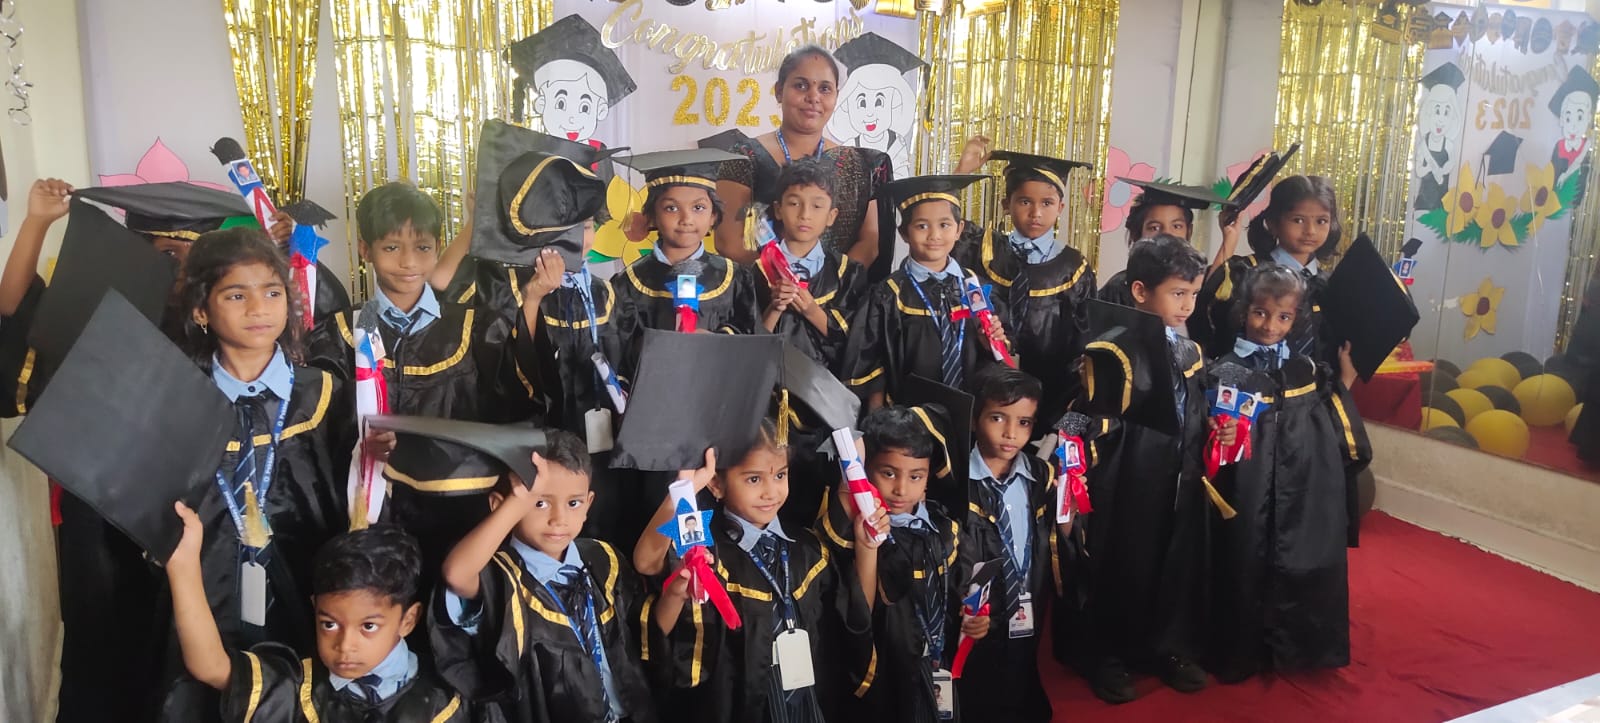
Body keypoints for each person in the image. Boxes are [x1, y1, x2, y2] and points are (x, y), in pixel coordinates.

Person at [306, 180, 546, 580]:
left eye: (422, 247)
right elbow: (320, 432)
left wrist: (533, 300)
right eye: (390, 247)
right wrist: (360, 439)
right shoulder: (341, 334)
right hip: (373, 511)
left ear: (438, 248)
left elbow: (516, 402)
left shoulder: (473, 327)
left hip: (460, 509)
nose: (407, 262)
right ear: (365, 249)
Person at [164, 227, 355, 720]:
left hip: (307, 590)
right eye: (236, 295)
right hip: (208, 592)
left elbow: (352, 500)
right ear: (201, 310)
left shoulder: (324, 394)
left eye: (272, 293)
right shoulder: (176, 399)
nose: (258, 308)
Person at [1074, 237, 1236, 704]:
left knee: (1175, 562)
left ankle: (1167, 647)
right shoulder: (1110, 350)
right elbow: (1078, 412)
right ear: (1141, 291)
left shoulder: (1191, 352)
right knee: (1123, 562)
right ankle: (1108, 654)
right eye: (1177, 293)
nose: (1187, 305)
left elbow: (1195, 410)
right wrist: (1078, 447)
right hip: (1126, 478)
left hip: (1180, 476)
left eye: (1193, 294)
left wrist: (1216, 428)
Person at [638, 424, 888, 723]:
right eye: (754, 479)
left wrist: (867, 547)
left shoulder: (809, 549)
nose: (771, 492)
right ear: (716, 484)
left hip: (807, 703)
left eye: (780, 475)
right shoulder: (706, 550)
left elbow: (855, 615)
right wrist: (683, 492)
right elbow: (646, 562)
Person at [1206, 264, 1370, 683]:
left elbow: (1333, 431)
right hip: (1247, 486)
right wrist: (1219, 432)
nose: (1270, 326)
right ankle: (1241, 650)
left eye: (1283, 317)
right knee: (1243, 557)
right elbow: (1209, 435)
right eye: (1260, 313)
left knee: (1301, 553)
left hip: (1301, 482)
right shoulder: (1227, 371)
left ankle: (1301, 647)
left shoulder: (1307, 370)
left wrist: (1345, 380)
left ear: (1295, 319)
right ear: (1244, 311)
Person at [434, 429, 658, 723]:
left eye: (573, 503)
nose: (559, 519)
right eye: (539, 503)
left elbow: (643, 638)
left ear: (588, 504)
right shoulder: (501, 577)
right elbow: (456, 574)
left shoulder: (603, 559)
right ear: (500, 505)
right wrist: (518, 501)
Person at [711, 44, 989, 274]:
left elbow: (870, 241)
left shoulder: (860, 164)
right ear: (779, 91)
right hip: (762, 298)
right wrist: (786, 285)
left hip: (838, 302)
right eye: (801, 85)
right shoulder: (743, 156)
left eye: (824, 88)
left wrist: (826, 287)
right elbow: (729, 242)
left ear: (836, 96)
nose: (813, 97)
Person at [164, 516, 466, 721]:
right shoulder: (298, 687)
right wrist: (183, 564)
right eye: (329, 624)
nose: (345, 645)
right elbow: (211, 667)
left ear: (408, 620)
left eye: (368, 627)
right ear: (315, 608)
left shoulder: (444, 701)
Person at [817, 405, 981, 723]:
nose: (901, 489)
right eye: (888, 473)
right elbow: (859, 612)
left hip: (938, 664)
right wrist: (867, 545)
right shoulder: (851, 532)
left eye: (915, 476)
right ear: (867, 470)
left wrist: (974, 620)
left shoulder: (946, 531)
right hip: (886, 671)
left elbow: (960, 596)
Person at [841, 174, 1013, 408]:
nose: (934, 235)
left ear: (959, 229)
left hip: (970, 412)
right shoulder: (889, 295)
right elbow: (871, 366)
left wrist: (992, 343)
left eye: (944, 225)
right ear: (904, 233)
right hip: (909, 415)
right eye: (922, 226)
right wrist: (878, 421)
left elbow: (1003, 354)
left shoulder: (974, 286)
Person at [954, 150, 1097, 429]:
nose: (1036, 213)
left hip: (1050, 391)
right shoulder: (983, 249)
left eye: (1047, 203)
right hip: (986, 389)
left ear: (1061, 207)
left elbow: (1082, 339)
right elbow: (943, 217)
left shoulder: (1073, 268)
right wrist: (963, 169)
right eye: (1024, 201)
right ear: (1006, 204)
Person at [957, 367, 1066, 723]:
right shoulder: (955, 483)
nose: (1010, 433)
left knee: (1020, 669)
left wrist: (1069, 513)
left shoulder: (1039, 476)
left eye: (1024, 423)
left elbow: (1056, 539)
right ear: (974, 418)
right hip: (977, 612)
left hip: (1026, 597)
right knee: (977, 681)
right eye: (997, 418)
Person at [611, 149, 763, 375]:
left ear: (713, 216)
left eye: (698, 208)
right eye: (671, 208)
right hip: (655, 388)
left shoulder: (734, 278)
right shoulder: (629, 283)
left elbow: (751, 339)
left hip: (716, 387)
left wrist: (716, 341)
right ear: (652, 216)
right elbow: (618, 354)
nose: (686, 219)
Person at [1192, 175, 1343, 365]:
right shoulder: (1246, 271)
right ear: (1272, 223)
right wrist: (1229, 241)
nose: (1310, 231)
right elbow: (1205, 313)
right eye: (1298, 220)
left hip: (1309, 381)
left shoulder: (1329, 285)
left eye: (1321, 221)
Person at [755, 157, 869, 372]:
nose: (805, 215)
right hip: (771, 382)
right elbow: (747, 345)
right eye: (794, 203)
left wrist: (812, 311)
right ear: (778, 210)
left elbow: (858, 345)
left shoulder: (847, 273)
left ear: (831, 216)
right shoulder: (757, 272)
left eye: (817, 206)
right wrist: (775, 308)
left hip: (826, 384)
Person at [1098, 180, 1242, 307]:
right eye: (1154, 228)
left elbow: (1206, 302)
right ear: (1138, 234)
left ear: (1189, 232)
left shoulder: (1193, 282)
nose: (1167, 235)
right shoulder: (1119, 288)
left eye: (1177, 226)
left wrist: (1229, 239)